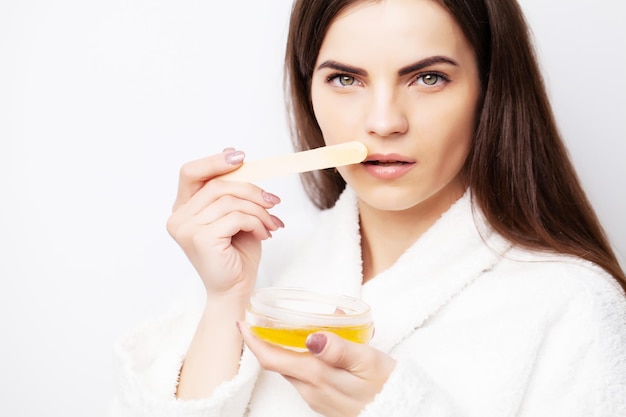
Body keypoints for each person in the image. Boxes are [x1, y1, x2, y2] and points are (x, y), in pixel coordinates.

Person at [109, 0, 626, 416]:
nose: (383, 122)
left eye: (428, 78)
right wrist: (226, 300)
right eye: (346, 79)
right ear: (307, 87)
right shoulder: (261, 266)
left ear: (490, 90)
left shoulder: (573, 304)